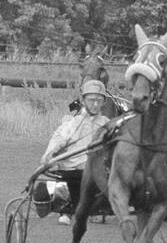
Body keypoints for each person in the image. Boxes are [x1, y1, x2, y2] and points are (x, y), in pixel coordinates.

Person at [34, 79, 112, 223]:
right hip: (74, 172)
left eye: (99, 101)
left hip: (98, 173)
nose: (95, 104)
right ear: (83, 100)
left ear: (104, 102)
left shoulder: (107, 124)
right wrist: (49, 155)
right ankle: (69, 208)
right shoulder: (71, 124)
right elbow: (57, 142)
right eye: (91, 100)